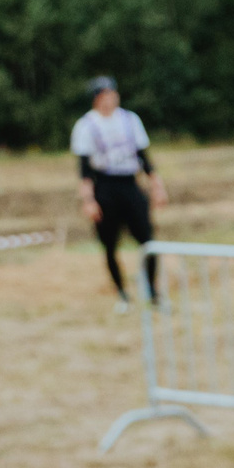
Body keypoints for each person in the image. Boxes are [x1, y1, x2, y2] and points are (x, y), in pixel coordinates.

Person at [72, 76, 166, 308]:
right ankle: (122, 294)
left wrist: (157, 186)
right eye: (104, 95)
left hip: (129, 183)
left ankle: (153, 292)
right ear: (96, 99)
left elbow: (144, 158)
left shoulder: (130, 120)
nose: (110, 99)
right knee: (110, 244)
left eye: (112, 94)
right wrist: (88, 200)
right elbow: (84, 170)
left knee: (147, 239)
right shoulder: (86, 125)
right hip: (105, 185)